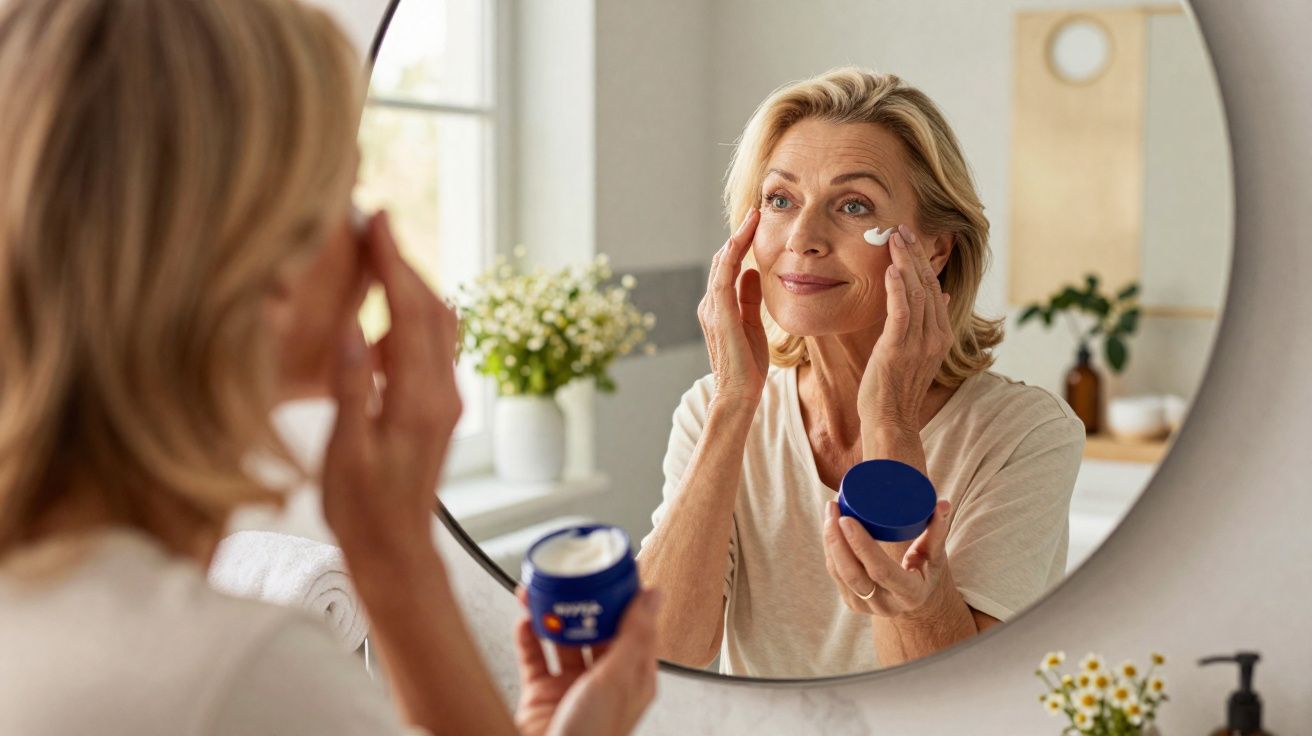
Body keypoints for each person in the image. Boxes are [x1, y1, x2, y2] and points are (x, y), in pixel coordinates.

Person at [0, 1, 657, 733]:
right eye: (340, 195)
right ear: (262, 267)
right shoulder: (237, 675)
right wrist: (400, 557)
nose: (370, 236)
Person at [638, 68, 1085, 678]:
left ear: (935, 248)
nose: (803, 238)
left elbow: (946, 698)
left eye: (854, 206)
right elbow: (666, 653)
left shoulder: (1025, 434)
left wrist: (890, 420)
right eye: (779, 199)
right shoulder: (710, 411)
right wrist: (731, 407)